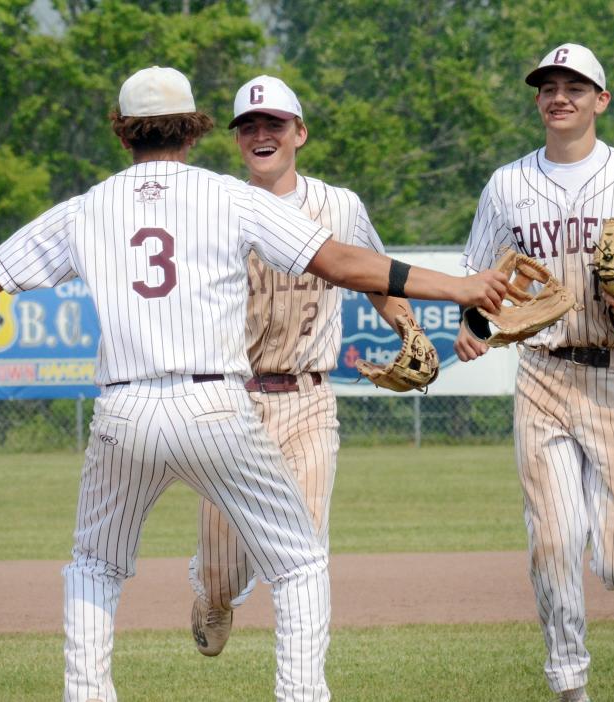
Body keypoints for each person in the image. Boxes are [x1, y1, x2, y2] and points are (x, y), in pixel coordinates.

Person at [0, 66, 508, 702]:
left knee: (94, 565)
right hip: (217, 405)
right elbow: (340, 261)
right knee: (300, 562)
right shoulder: (229, 197)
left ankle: (87, 693)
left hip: (126, 409)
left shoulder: (88, 209)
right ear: (196, 131)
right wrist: (457, 285)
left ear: (122, 133)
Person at [455, 44, 614, 702]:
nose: (560, 95)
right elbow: (484, 280)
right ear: (537, 100)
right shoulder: (507, 185)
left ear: (601, 100)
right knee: (553, 541)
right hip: (543, 377)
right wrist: (473, 326)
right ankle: (569, 686)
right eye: (548, 86)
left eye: (575, 86)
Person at [187, 75, 423, 656]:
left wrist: (410, 328)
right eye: (249, 126)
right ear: (238, 140)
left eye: (274, 124)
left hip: (309, 398)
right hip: (230, 402)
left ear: (300, 133)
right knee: (224, 570)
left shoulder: (339, 206)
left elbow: (375, 275)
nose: (261, 134)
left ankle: (302, 684)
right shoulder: (214, 207)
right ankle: (214, 595)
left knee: (305, 548)